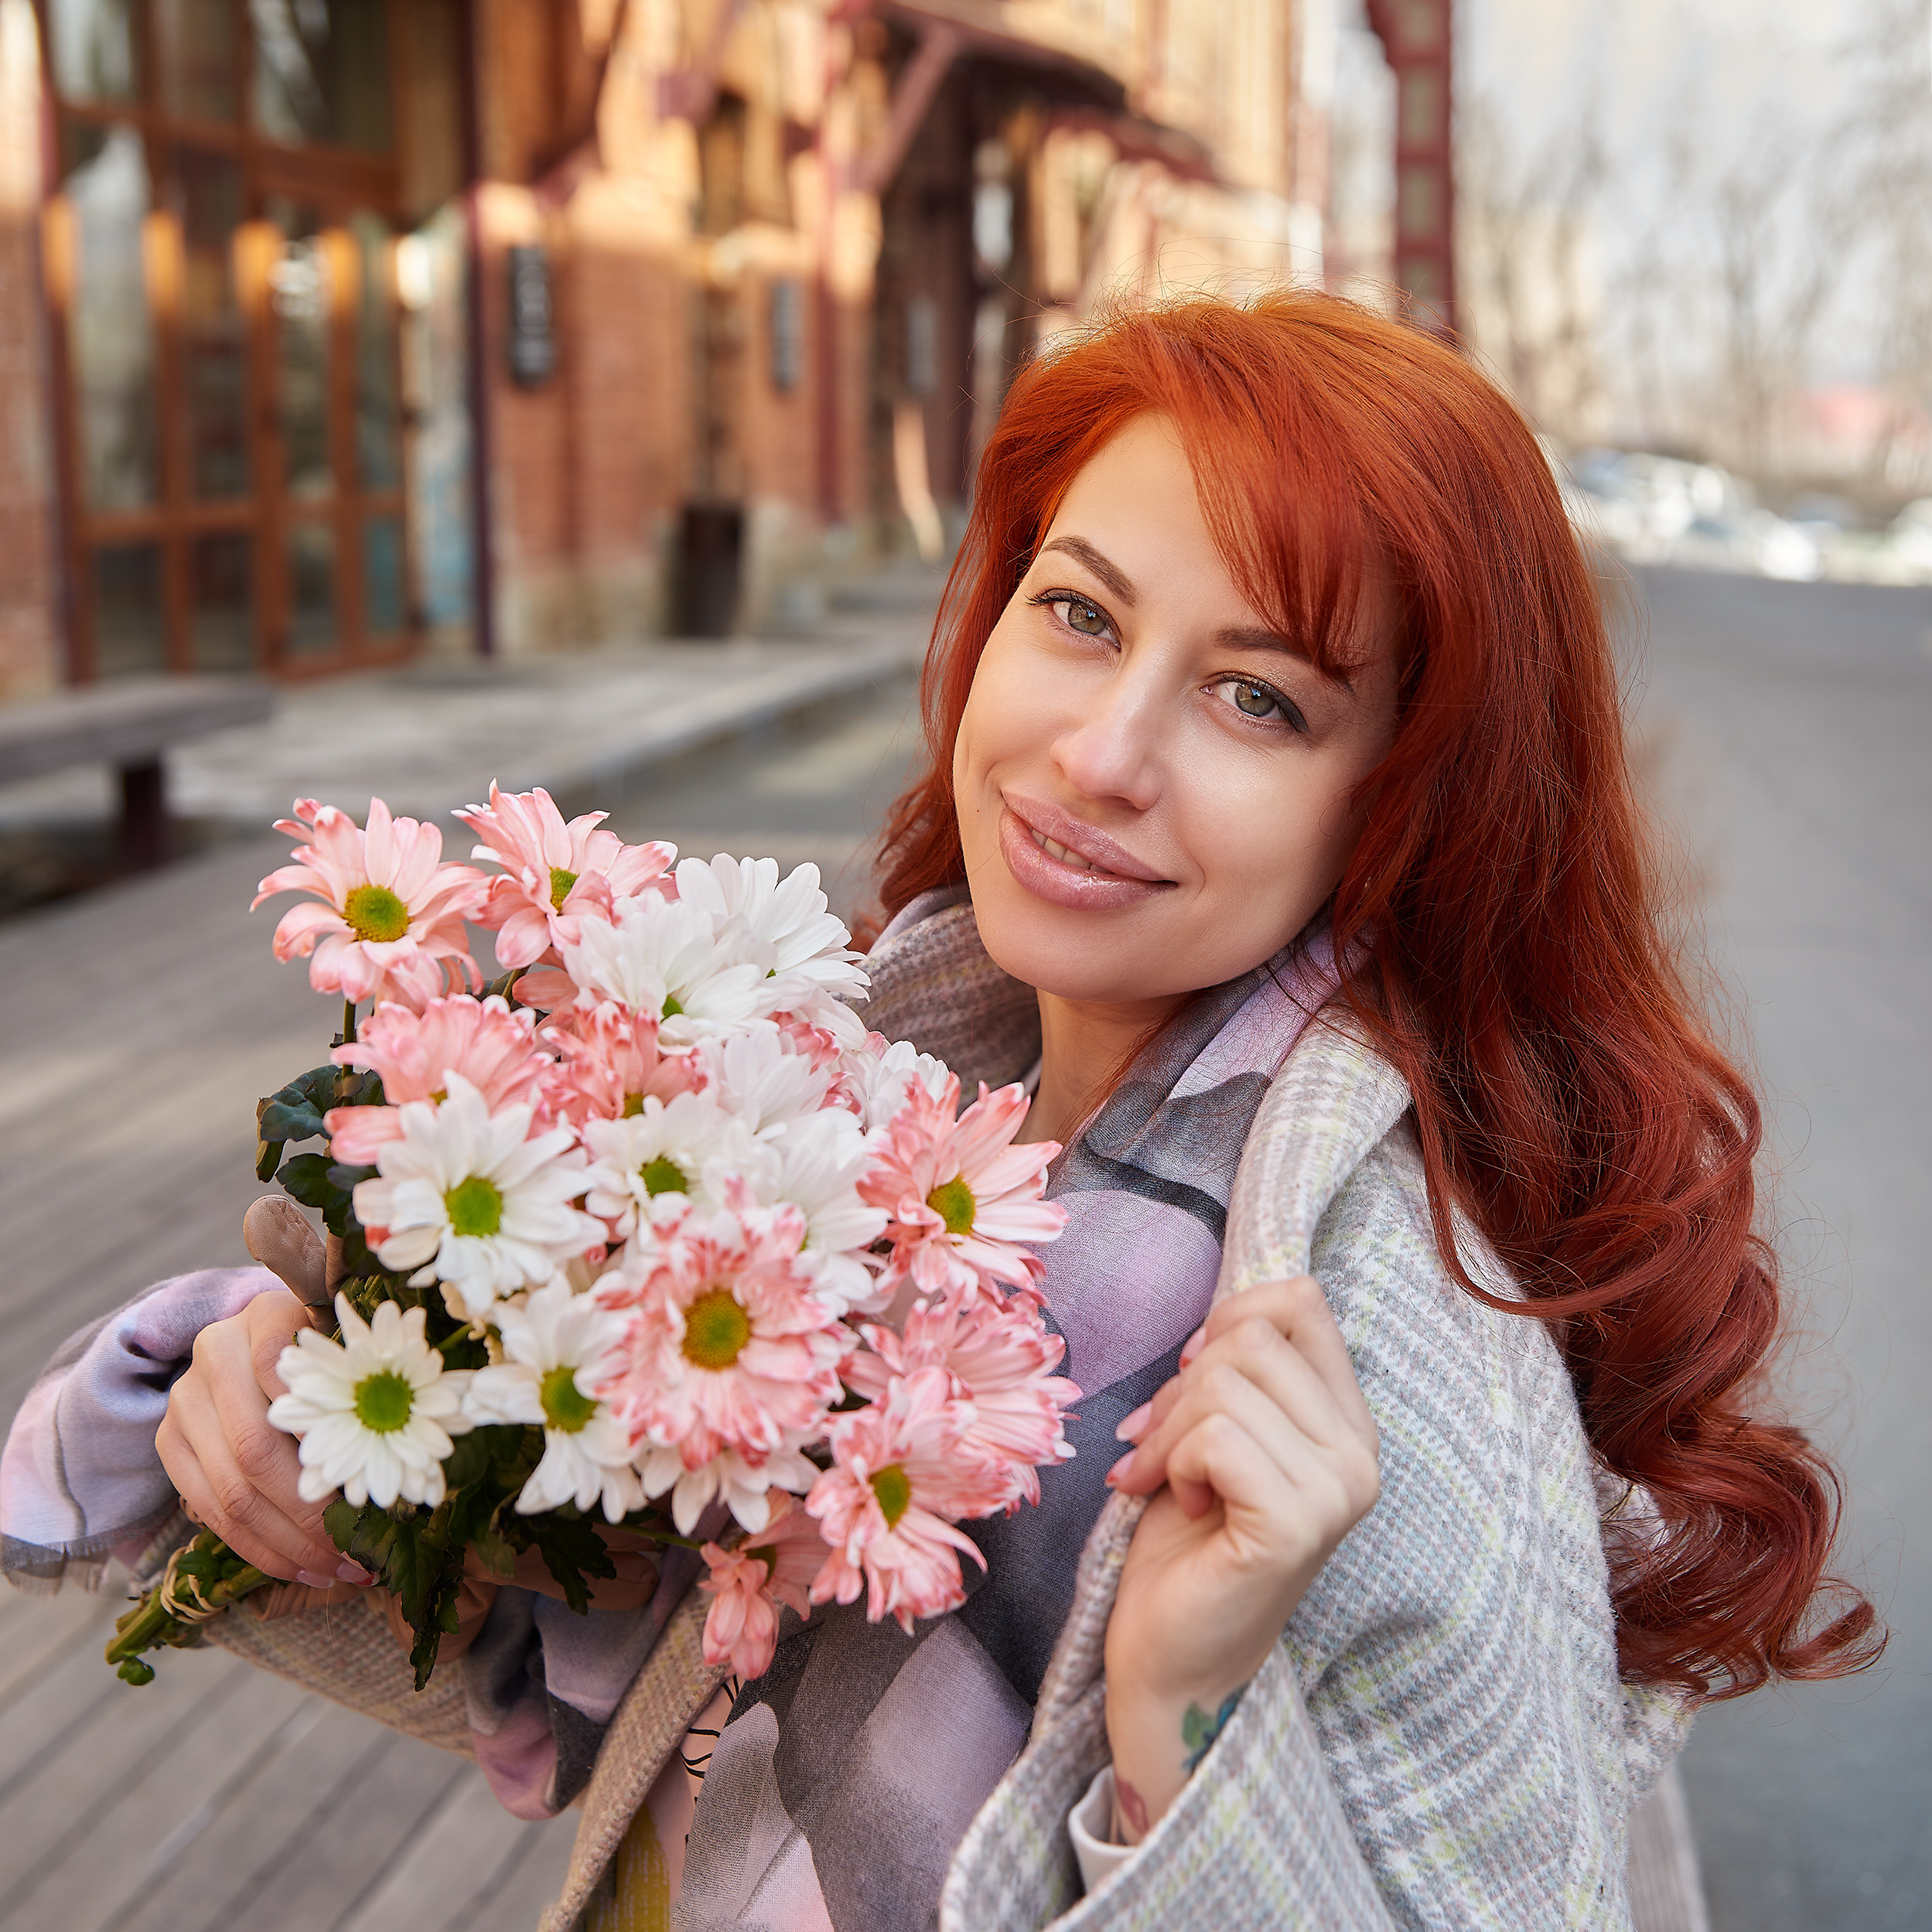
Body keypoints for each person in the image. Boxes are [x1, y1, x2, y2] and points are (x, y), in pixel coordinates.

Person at [4, 292, 1879, 1930]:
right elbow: (630, 1670)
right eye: (1080, 612)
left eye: (1257, 699)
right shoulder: (913, 1058)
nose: (1102, 752)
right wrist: (292, 1414)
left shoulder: (1366, 1316)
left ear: (1403, 805)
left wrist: (1178, 1725)